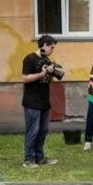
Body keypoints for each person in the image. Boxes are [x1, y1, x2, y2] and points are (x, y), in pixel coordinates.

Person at [20, 34, 61, 168]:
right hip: (32, 101)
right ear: (44, 45)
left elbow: (47, 79)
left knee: (43, 130)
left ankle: (39, 157)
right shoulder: (30, 59)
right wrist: (41, 74)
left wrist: (51, 72)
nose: (52, 50)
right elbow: (25, 78)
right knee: (33, 130)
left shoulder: (46, 60)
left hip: (44, 100)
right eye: (51, 47)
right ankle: (28, 159)